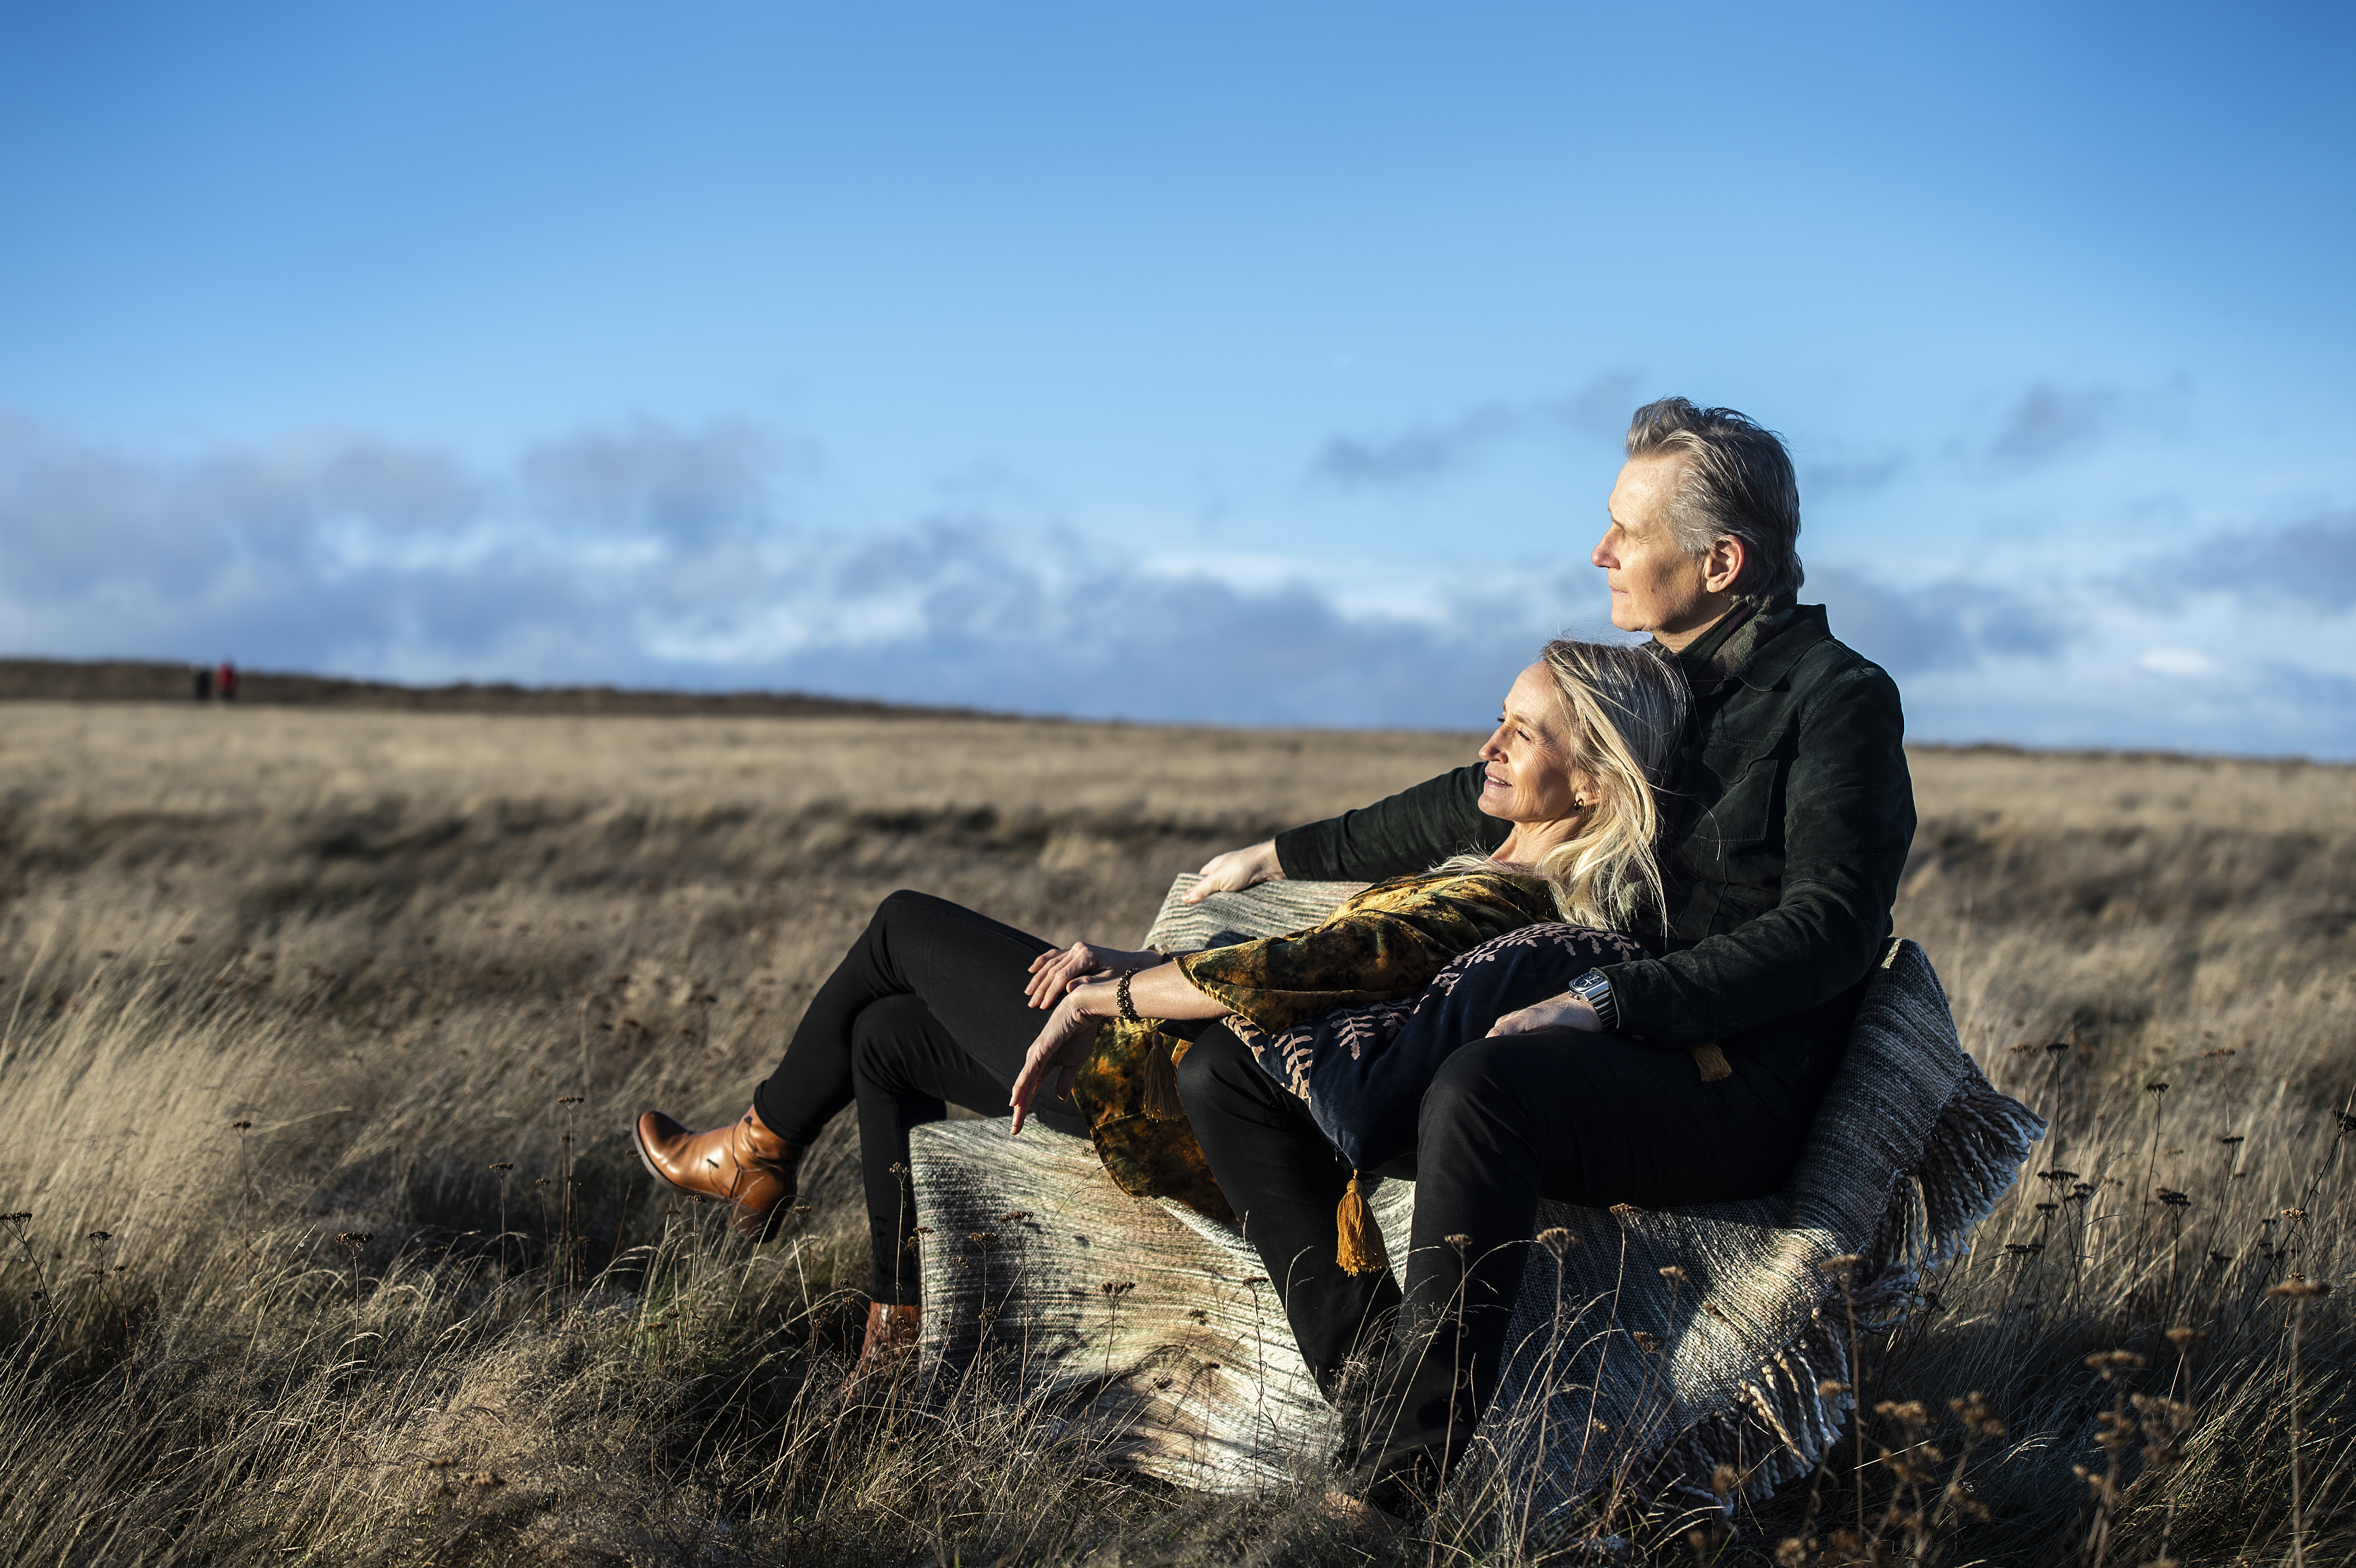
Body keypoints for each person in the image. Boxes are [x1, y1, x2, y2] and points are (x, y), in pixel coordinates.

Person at [1176, 397, 1918, 1511]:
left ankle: (1391, 1493)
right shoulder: (1657, 682)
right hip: (1586, 1020)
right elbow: (1470, 801)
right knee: (1226, 1063)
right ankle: (1365, 1372)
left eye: (1628, 529)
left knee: (1486, 1086)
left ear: (1721, 560)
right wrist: (1282, 852)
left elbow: (1830, 930)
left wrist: (1610, 1000)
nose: (1599, 550)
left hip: (1726, 1076)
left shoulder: (1835, 700)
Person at [632, 639, 1687, 1392]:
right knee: (884, 1038)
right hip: (1169, 1057)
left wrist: (1111, 992)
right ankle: (893, 1326)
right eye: (1497, 717)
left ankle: (757, 1143)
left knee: (904, 923)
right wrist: (1143, 956)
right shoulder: (1479, 862)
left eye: (1523, 732)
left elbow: (1306, 965)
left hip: (1171, 1096)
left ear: (1591, 780)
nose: (1490, 745)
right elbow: (1294, 953)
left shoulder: (1506, 897)